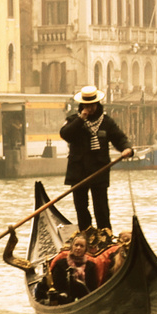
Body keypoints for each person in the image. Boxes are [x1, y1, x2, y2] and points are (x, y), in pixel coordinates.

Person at [58, 85, 130, 233]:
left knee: (102, 208)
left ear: (97, 104)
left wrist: (127, 148)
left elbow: (120, 138)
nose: (90, 108)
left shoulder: (106, 122)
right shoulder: (73, 120)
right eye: (87, 105)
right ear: (82, 105)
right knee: (81, 208)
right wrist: (81, 118)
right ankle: (86, 236)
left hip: (99, 171)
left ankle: (106, 236)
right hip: (78, 172)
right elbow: (65, 134)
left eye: (92, 105)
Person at [47, 231, 100, 303]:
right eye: (76, 245)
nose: (78, 248)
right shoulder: (60, 264)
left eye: (82, 246)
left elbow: (93, 288)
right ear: (72, 247)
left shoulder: (90, 266)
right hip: (63, 301)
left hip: (85, 300)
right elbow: (56, 286)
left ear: (85, 249)